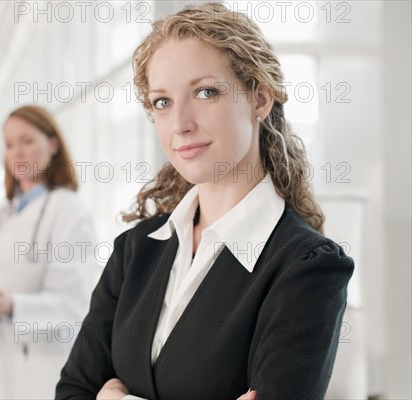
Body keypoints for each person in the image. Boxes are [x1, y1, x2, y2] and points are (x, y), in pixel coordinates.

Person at [56, 3, 354, 399]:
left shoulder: (308, 267)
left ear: (260, 100)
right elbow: (73, 391)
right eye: (162, 102)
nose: (180, 124)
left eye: (205, 92)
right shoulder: (136, 251)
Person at [0, 105, 96, 399]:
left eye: (27, 141)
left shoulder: (68, 210)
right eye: (10, 144)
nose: (17, 152)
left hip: (42, 370)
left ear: (52, 144)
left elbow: (74, 305)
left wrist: (13, 306)